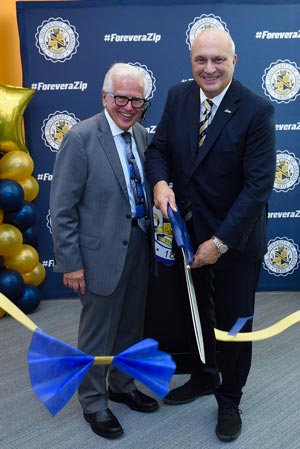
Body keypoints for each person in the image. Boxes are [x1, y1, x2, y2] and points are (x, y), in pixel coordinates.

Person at [145, 29, 276, 441]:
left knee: (234, 323)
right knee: (196, 313)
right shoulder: (179, 96)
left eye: (218, 60)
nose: (209, 68)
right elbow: (158, 151)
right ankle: (203, 375)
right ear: (190, 61)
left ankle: (229, 399)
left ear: (234, 61)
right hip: (188, 237)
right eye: (201, 59)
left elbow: (258, 187)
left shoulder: (256, 110)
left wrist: (219, 244)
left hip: (234, 241)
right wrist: (160, 184)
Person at [50, 62, 159, 440]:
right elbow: (62, 207)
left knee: (132, 326)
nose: (129, 106)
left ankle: (122, 386)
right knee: (97, 335)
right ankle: (94, 402)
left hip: (139, 247)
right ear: (104, 97)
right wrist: (71, 263)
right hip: (98, 257)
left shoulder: (143, 136)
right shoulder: (81, 138)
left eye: (137, 100)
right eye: (121, 98)